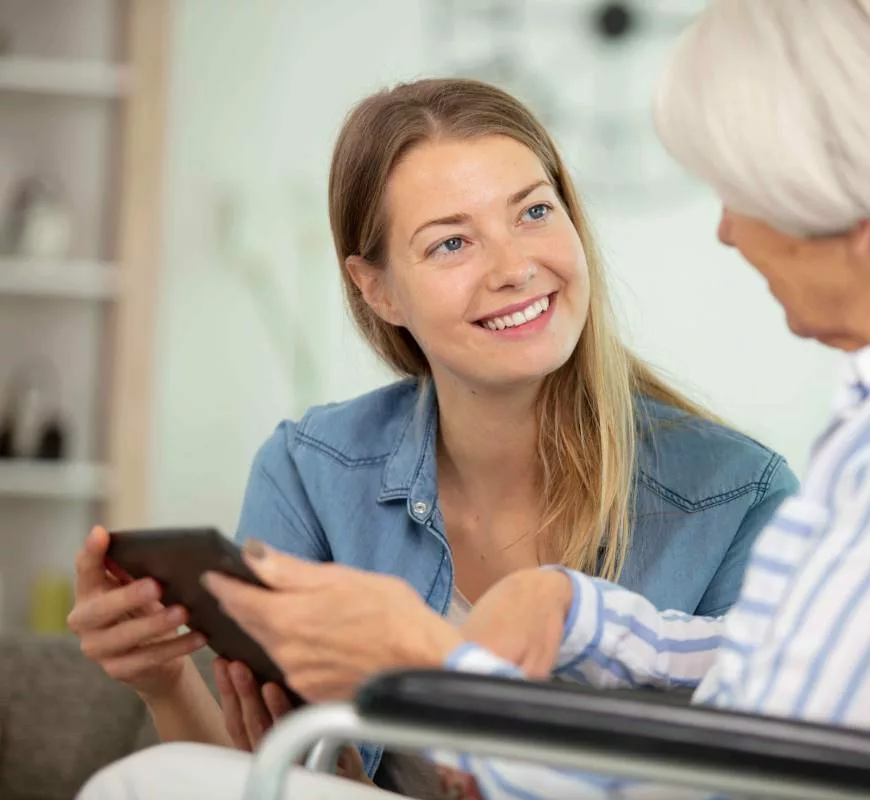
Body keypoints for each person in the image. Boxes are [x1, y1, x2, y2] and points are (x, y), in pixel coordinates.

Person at [76, 0, 870, 798]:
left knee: (152, 783)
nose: (727, 230)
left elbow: (766, 776)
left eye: (744, 191)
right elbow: (788, 685)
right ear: (377, 285)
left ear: (852, 197)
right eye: (451, 240)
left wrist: (431, 666)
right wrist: (579, 605)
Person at [67, 76, 798, 796]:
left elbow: (750, 775)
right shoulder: (311, 474)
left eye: (534, 212)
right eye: (451, 244)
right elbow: (251, 775)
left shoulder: (736, 497)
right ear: (377, 289)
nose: (515, 268)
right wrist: (162, 682)